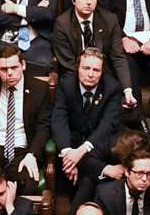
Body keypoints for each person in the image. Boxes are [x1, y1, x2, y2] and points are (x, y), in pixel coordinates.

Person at [52, 46, 132, 203]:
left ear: (102, 72)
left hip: (100, 148)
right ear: (78, 68)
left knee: (89, 180)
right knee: (84, 179)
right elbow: (58, 119)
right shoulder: (66, 84)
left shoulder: (112, 88)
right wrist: (69, 155)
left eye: (96, 70)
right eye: (86, 68)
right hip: (72, 148)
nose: (90, 74)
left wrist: (81, 152)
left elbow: (107, 126)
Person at [0, 43, 51, 194]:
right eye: (4, 69)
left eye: (14, 67)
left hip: (23, 149)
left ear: (23, 65)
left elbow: (43, 127)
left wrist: (32, 154)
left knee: (28, 182)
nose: (10, 73)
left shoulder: (39, 88)